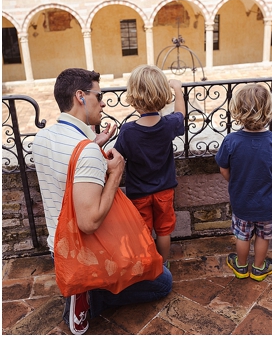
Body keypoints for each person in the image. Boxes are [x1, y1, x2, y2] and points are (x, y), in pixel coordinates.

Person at [33, 68, 172, 335]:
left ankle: (82, 286)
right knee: (163, 282)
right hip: (86, 251)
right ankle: (91, 296)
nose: (104, 101)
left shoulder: (43, 139)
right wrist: (115, 175)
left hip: (58, 248)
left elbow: (67, 176)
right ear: (80, 97)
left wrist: (94, 144)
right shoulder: (86, 151)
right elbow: (89, 222)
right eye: (99, 95)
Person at [114, 65, 185, 267]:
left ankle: (148, 265)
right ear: (162, 93)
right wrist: (177, 88)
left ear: (134, 96)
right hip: (165, 190)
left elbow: (118, 156)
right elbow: (181, 112)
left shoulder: (128, 131)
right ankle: (163, 265)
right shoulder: (169, 124)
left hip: (139, 193)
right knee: (164, 231)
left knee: (143, 231)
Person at [216, 84, 272, 281]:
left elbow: (223, 168)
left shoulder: (231, 141)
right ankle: (258, 268)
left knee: (242, 235)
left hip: (242, 201)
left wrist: (237, 181)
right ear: (269, 111)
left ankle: (240, 266)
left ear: (237, 110)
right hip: (267, 203)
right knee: (264, 236)